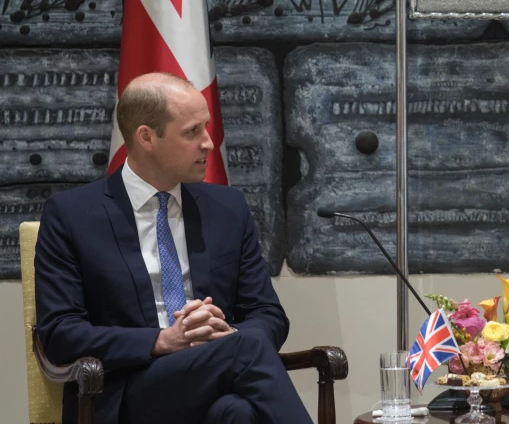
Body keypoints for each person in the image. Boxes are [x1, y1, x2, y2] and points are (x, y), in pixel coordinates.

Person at [34, 72, 313, 424]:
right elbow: (60, 333)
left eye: (206, 127)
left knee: (235, 412)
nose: (209, 143)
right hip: (128, 391)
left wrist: (226, 334)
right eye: (192, 132)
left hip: (215, 374)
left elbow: (268, 314)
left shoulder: (227, 208)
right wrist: (162, 340)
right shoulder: (72, 215)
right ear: (146, 137)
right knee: (248, 348)